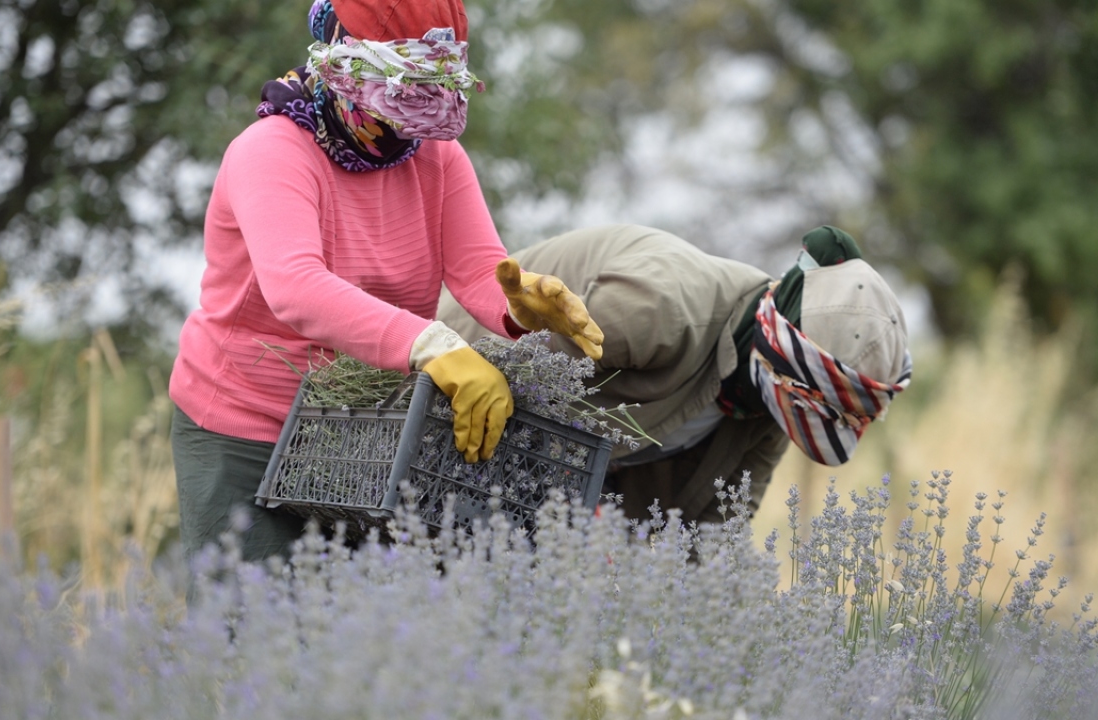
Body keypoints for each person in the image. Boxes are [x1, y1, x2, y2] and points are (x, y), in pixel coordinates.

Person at [168, 0, 603, 564]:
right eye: (397, 100)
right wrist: (433, 344)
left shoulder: (436, 156)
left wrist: (521, 305)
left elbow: (477, 269)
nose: (406, 127)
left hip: (365, 427)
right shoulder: (269, 153)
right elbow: (296, 286)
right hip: (247, 427)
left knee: (365, 635)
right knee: (250, 634)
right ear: (339, 67)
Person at [437, 223, 911, 524]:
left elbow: (711, 537)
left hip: (535, 494)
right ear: (781, 362)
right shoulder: (662, 308)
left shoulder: (761, 411)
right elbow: (511, 365)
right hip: (435, 391)